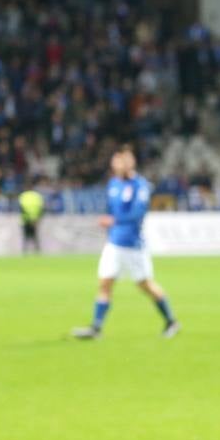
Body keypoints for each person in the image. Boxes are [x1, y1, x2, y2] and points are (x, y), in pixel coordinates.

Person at [71, 145, 179, 340]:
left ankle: (171, 321)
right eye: (116, 161)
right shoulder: (113, 184)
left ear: (130, 162)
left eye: (121, 160)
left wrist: (115, 221)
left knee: (144, 284)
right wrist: (111, 222)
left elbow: (138, 214)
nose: (117, 164)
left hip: (133, 245)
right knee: (105, 283)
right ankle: (96, 327)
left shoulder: (141, 185)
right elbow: (112, 209)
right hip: (114, 243)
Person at [19, 185, 45, 254]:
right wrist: (37, 219)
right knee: (35, 237)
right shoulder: (37, 196)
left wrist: (29, 218)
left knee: (26, 237)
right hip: (35, 220)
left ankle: (25, 252)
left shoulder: (23, 196)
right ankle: (37, 252)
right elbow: (41, 208)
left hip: (26, 219)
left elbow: (22, 208)